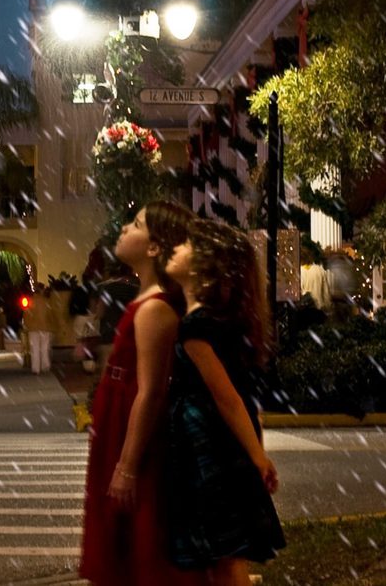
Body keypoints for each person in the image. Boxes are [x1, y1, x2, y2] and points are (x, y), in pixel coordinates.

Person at [79, 201, 206, 586]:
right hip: (117, 429)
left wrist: (127, 466)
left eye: (135, 224)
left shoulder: (154, 309)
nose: (122, 229)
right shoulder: (143, 300)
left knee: (139, 551)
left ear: (154, 247)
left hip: (131, 438)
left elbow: (150, 392)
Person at [162, 219, 286, 585]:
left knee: (224, 554)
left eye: (186, 246)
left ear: (206, 264)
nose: (177, 249)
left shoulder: (196, 328)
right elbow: (243, 399)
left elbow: (227, 397)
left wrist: (258, 455)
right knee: (227, 554)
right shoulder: (223, 322)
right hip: (224, 442)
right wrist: (254, 450)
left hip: (209, 446)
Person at [24, 286, 54, 374]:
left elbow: (26, 316)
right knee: (44, 347)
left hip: (33, 328)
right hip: (45, 327)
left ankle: (35, 368)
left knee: (35, 348)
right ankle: (45, 366)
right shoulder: (47, 302)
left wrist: (27, 326)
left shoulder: (30, 302)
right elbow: (51, 315)